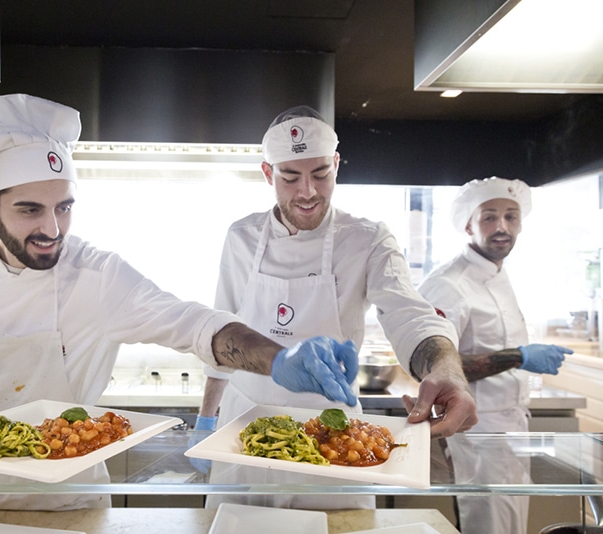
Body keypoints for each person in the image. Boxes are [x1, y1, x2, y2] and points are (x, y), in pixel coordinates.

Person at [0, 94, 363, 521]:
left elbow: (195, 323)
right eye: (29, 210)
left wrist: (277, 360)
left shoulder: (99, 274)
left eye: (64, 208)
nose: (51, 229)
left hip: (65, 498)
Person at [197, 105, 478, 510]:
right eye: (290, 177)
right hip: (243, 432)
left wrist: (448, 371)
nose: (307, 192)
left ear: (337, 164)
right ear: (266, 173)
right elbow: (221, 333)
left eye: (321, 174)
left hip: (333, 432)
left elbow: (410, 316)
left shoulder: (368, 240)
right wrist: (207, 420)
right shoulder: (241, 237)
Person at [417, 176, 572, 533]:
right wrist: (518, 356)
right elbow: (436, 368)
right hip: (477, 430)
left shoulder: (500, 274)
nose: (502, 227)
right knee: (487, 524)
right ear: (469, 224)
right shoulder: (449, 283)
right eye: (489, 216)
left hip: (513, 427)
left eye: (510, 217)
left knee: (513, 524)